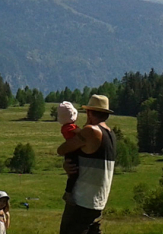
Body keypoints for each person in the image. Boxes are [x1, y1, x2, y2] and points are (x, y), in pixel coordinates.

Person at [56, 95, 116, 234]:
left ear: (89, 112)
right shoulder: (110, 134)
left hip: (82, 199)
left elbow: (62, 149)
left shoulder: (91, 131)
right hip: (99, 199)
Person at [57, 101, 80, 200]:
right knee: (74, 173)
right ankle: (68, 192)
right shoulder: (70, 127)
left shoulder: (64, 127)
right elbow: (81, 133)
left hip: (69, 151)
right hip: (73, 151)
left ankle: (68, 191)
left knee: (73, 173)